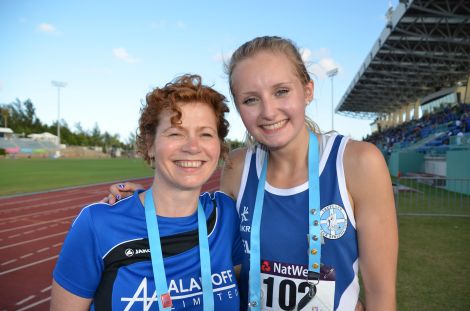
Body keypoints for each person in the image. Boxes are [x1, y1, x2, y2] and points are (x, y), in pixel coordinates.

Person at [106, 36, 398, 310]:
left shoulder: (358, 163)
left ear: (307, 91)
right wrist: (152, 199)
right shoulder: (237, 167)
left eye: (281, 91)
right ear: (238, 107)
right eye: (250, 99)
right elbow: (211, 237)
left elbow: (380, 293)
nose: (268, 112)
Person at [51, 74, 243, 310]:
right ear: (150, 145)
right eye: (175, 133)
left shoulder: (226, 216)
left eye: (205, 134)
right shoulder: (98, 224)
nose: (192, 147)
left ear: (219, 146)